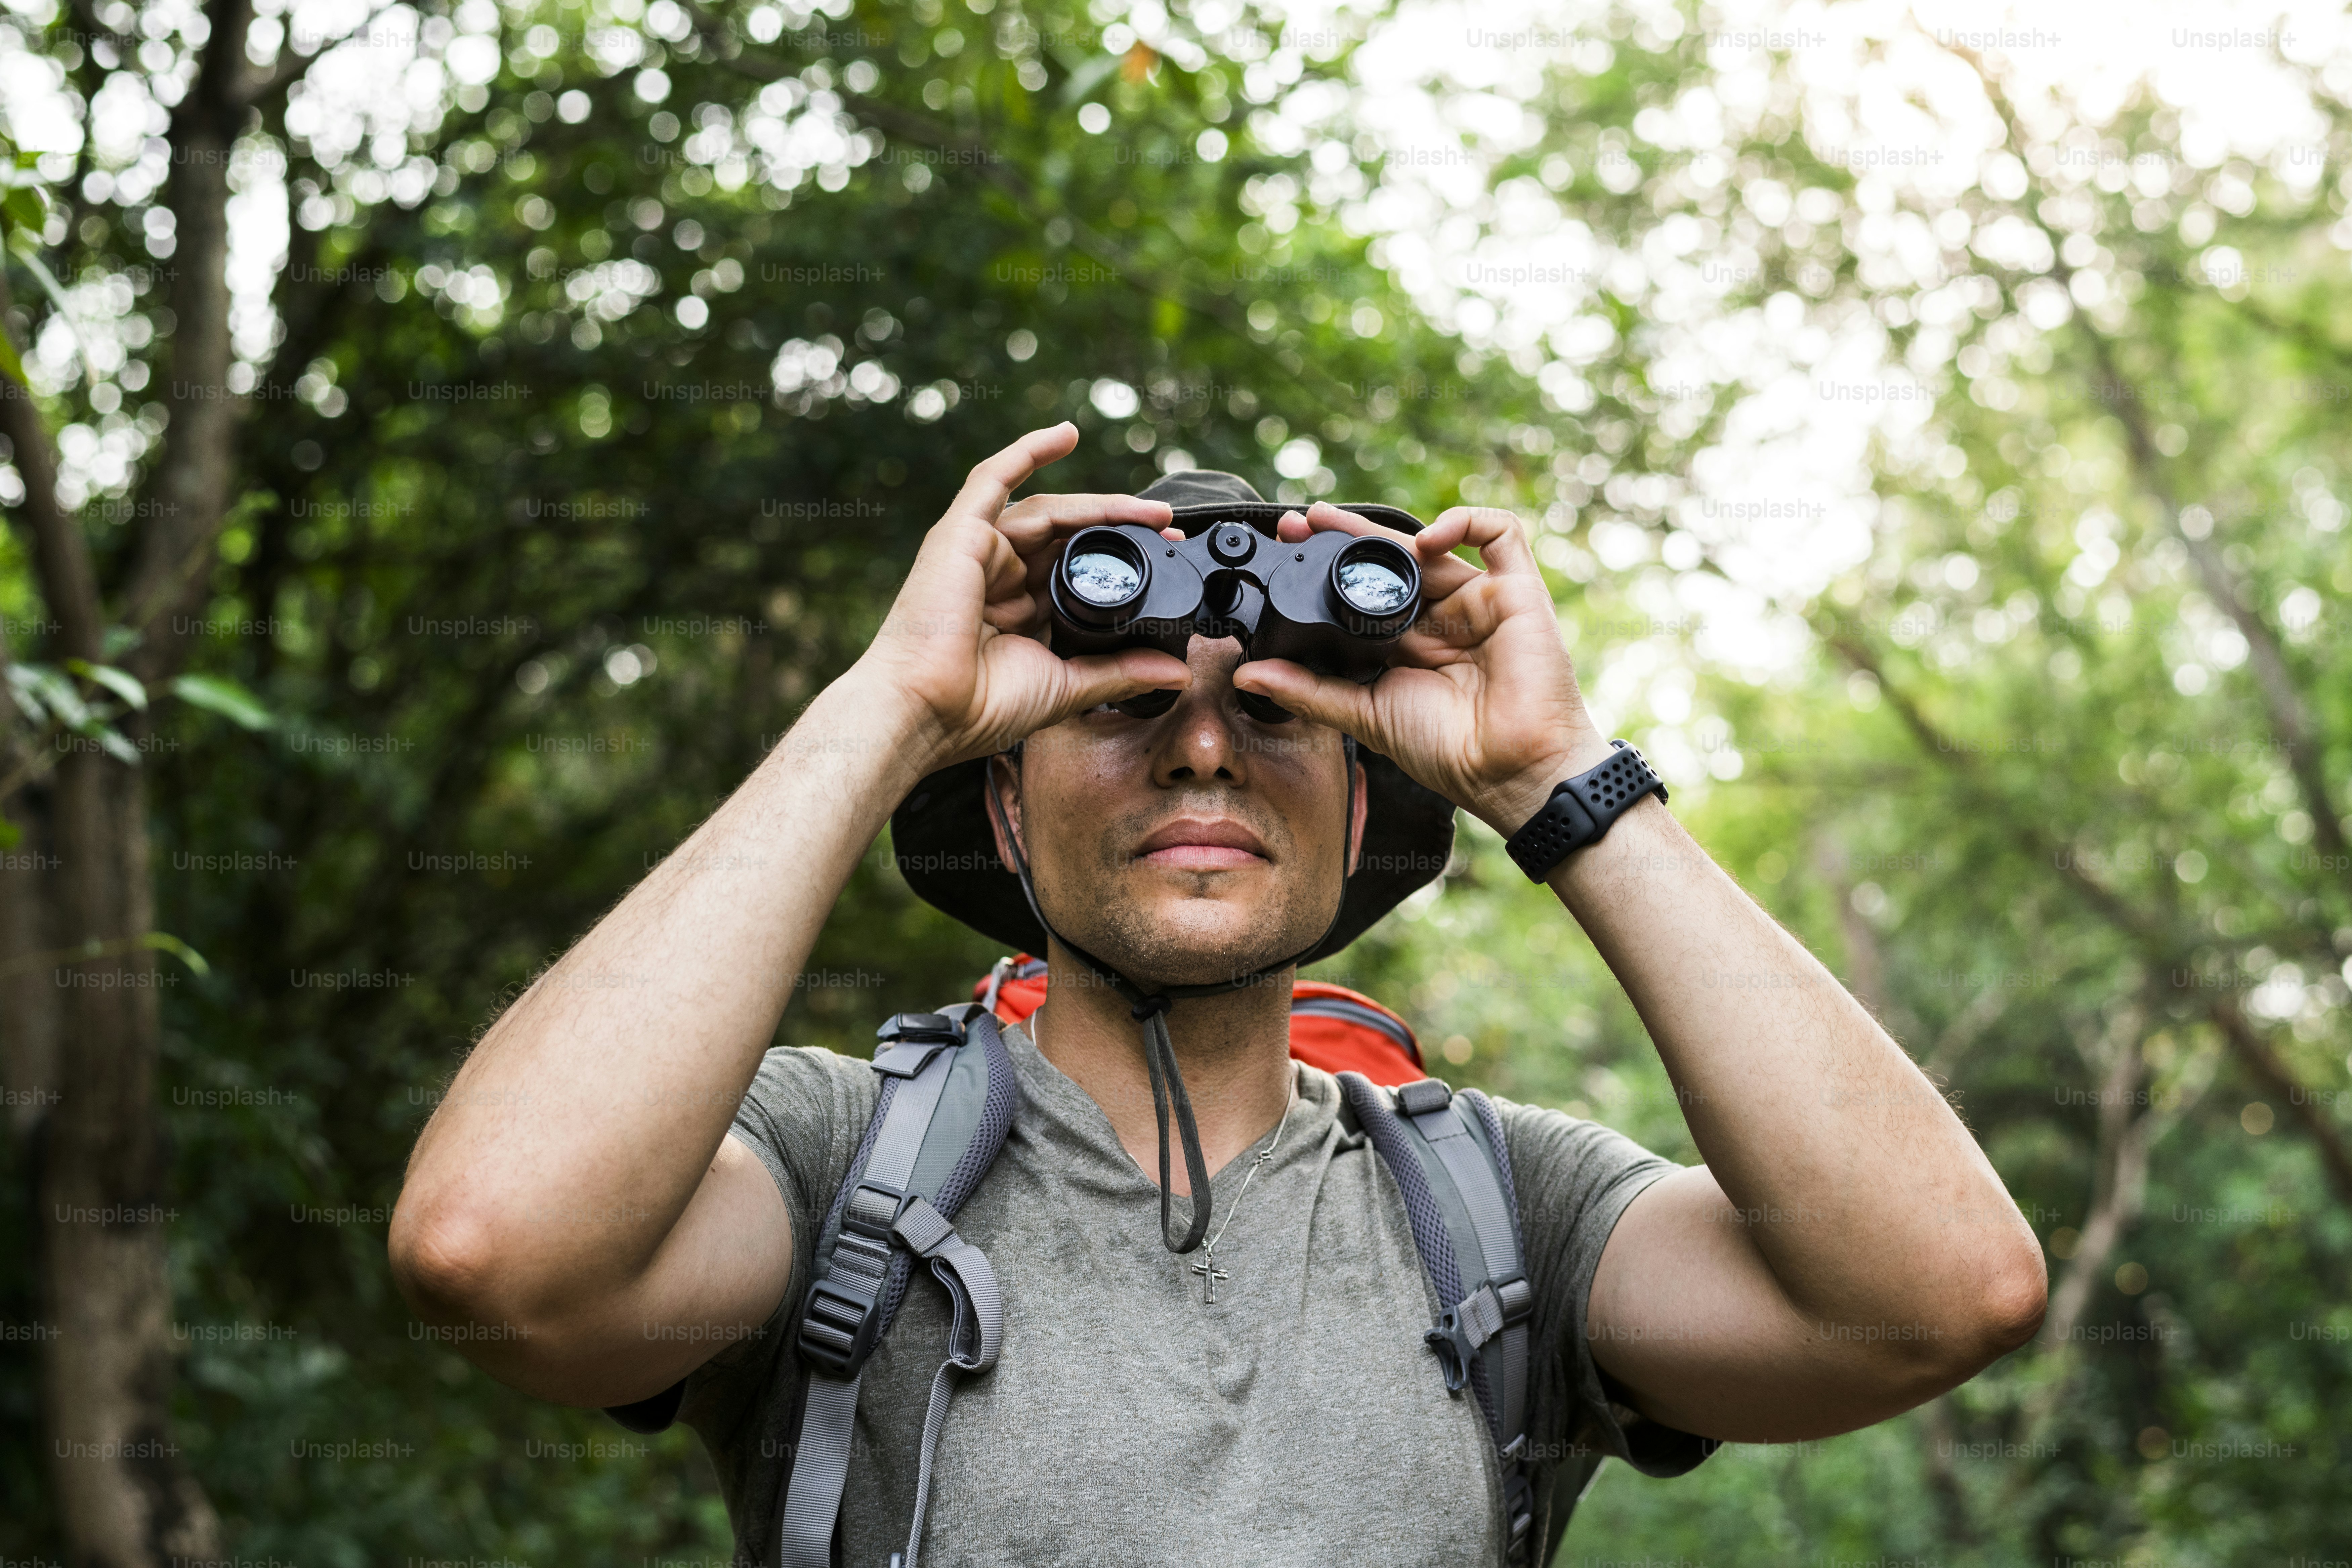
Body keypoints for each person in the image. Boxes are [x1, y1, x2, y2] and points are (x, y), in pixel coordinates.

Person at [389, 423, 2047, 1565]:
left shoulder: (1497, 1212)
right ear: (1000, 803)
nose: (1198, 745)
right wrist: (896, 700)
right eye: (1115, 707)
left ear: (1357, 814)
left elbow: (1937, 1298)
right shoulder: (843, 1175)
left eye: (1273, 711)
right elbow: (492, 1258)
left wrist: (1556, 773)